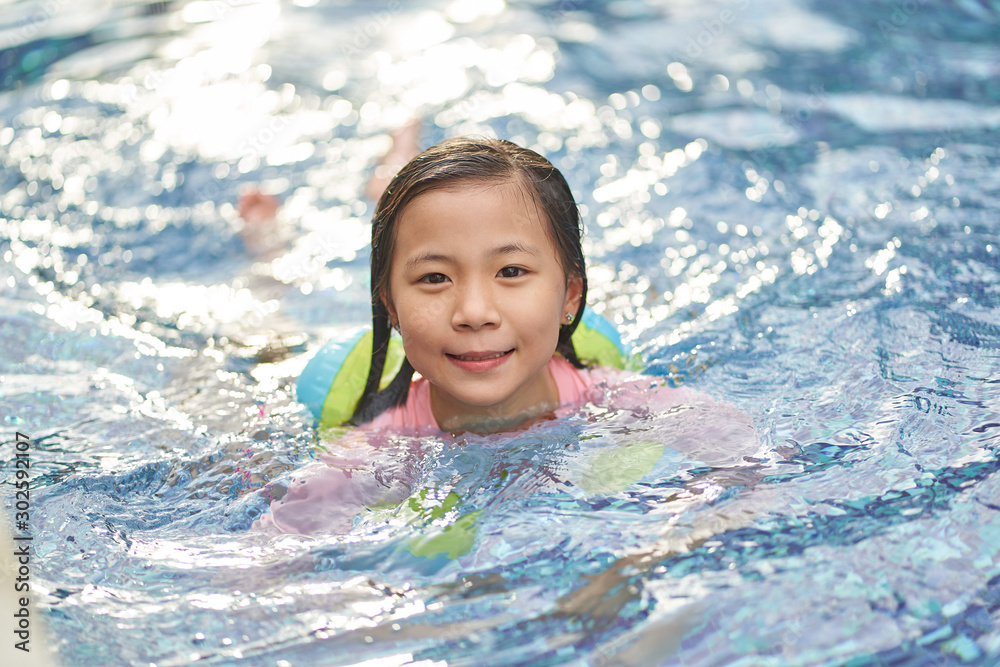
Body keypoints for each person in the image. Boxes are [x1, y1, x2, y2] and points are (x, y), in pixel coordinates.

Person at [251, 136, 758, 536]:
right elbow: (265, 560)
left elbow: (755, 464)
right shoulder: (374, 451)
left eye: (511, 271)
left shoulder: (621, 400)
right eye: (434, 278)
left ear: (570, 297)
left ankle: (389, 180)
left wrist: (684, 526)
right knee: (274, 334)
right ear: (392, 309)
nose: (474, 313)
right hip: (329, 360)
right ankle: (267, 250)